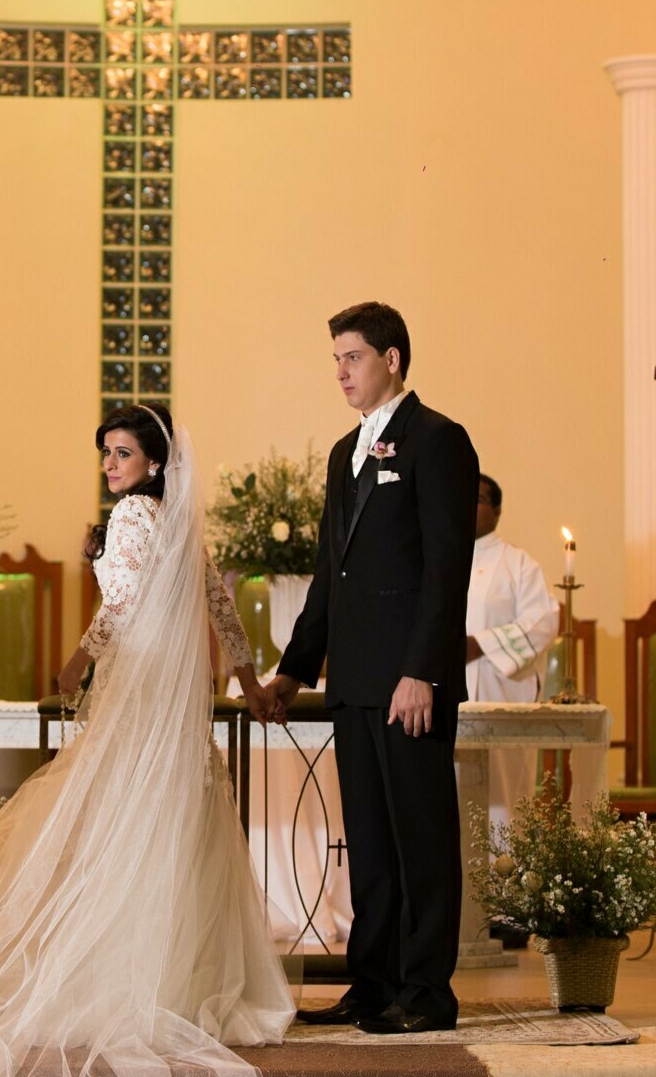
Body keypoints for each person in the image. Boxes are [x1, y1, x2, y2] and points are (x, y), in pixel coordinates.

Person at [0, 403, 292, 1077]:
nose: (109, 465)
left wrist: (79, 660)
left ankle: (121, 979)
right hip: (177, 699)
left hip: (140, 688)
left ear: (154, 462)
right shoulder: (180, 523)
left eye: (122, 453)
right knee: (172, 826)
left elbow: (122, 607)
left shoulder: (132, 517)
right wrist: (244, 681)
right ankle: (181, 984)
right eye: (105, 453)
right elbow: (220, 607)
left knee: (114, 825)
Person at [263, 301, 479, 1035]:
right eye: (335, 360)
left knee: (420, 837)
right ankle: (373, 983)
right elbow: (333, 572)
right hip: (353, 681)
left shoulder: (438, 441)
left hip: (408, 683)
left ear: (391, 358)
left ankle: (427, 994)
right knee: (370, 842)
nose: (341, 372)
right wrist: (295, 668)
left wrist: (422, 670)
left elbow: (447, 569)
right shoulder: (342, 454)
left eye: (352, 357)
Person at [463, 473, 559, 828]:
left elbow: (544, 620)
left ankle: (505, 881)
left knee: (502, 802)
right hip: (442, 699)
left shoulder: (518, 564)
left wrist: (480, 644)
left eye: (475, 499)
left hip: (497, 692)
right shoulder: (433, 558)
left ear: (497, 510)